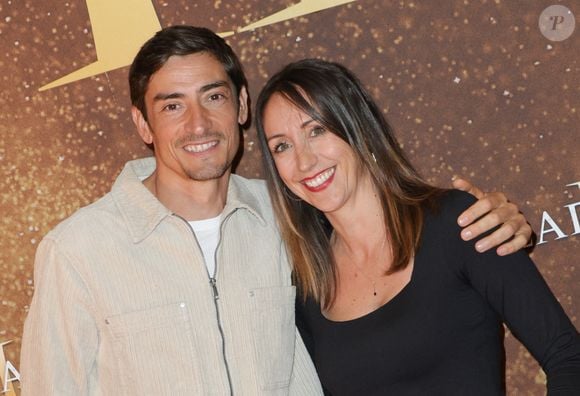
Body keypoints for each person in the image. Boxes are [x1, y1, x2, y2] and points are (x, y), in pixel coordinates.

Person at [20, 26, 531, 395]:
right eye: (172, 105)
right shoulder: (79, 250)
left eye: (213, 96)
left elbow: (391, 225)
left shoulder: (291, 216)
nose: (198, 125)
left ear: (241, 106)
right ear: (142, 124)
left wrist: (495, 217)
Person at [254, 58, 580, 395]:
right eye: (282, 146)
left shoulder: (457, 223)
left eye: (316, 130)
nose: (304, 161)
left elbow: (567, 358)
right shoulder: (307, 285)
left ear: (357, 127)